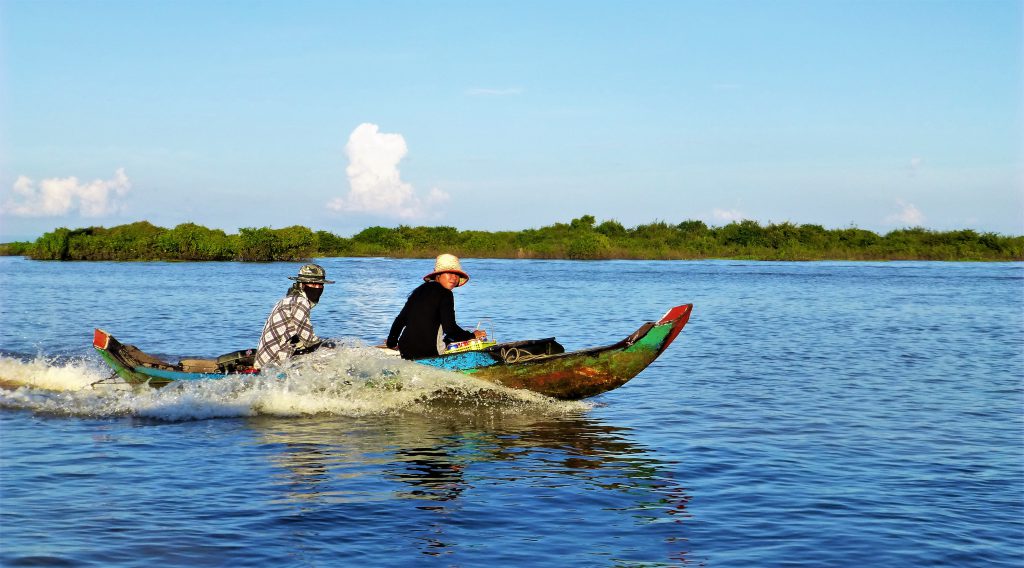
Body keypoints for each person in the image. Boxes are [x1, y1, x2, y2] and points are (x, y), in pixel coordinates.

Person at [386, 254, 486, 360]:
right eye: (449, 273)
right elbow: (450, 329)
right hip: (429, 353)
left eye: (457, 275)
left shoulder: (419, 290)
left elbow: (400, 320)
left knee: (449, 338)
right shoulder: (446, 294)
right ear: (438, 275)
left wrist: (391, 343)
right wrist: (472, 335)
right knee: (455, 338)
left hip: (405, 350)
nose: (454, 278)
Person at [254, 263, 334, 369]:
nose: (317, 288)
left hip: (266, 358)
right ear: (302, 285)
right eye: (313, 284)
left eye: (320, 285)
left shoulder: (289, 300)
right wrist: (330, 345)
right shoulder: (300, 302)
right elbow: (308, 338)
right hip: (273, 362)